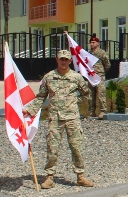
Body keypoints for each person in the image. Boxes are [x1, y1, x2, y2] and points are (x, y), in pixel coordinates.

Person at [22, 49, 93, 189]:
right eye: (61, 59)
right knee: (52, 148)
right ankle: (49, 177)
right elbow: (41, 97)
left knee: (76, 147)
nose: (63, 62)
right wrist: (29, 110)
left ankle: (80, 176)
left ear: (70, 61)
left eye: (66, 59)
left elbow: (87, 94)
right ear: (57, 59)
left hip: (72, 118)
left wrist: (74, 101)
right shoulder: (49, 77)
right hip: (55, 118)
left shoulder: (76, 77)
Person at [88, 35, 111, 119]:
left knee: (101, 93)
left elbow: (107, 64)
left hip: (99, 76)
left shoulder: (101, 53)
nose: (92, 44)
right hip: (91, 76)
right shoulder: (89, 53)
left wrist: (102, 71)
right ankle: (91, 112)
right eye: (91, 42)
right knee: (90, 95)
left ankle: (103, 111)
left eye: (93, 42)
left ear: (98, 43)